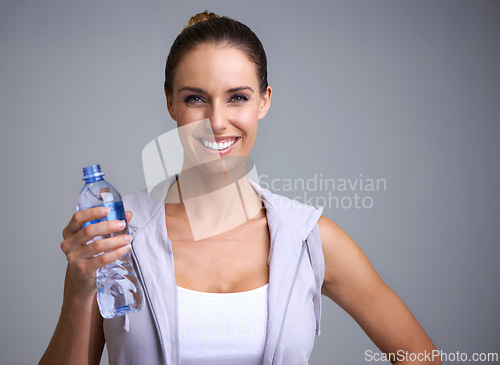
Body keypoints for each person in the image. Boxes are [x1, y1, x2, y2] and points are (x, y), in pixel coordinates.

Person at [40, 11, 441, 365]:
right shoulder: (115, 237)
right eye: (196, 98)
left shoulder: (308, 239)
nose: (217, 121)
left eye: (237, 98)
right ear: (170, 103)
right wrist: (78, 294)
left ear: (264, 102)